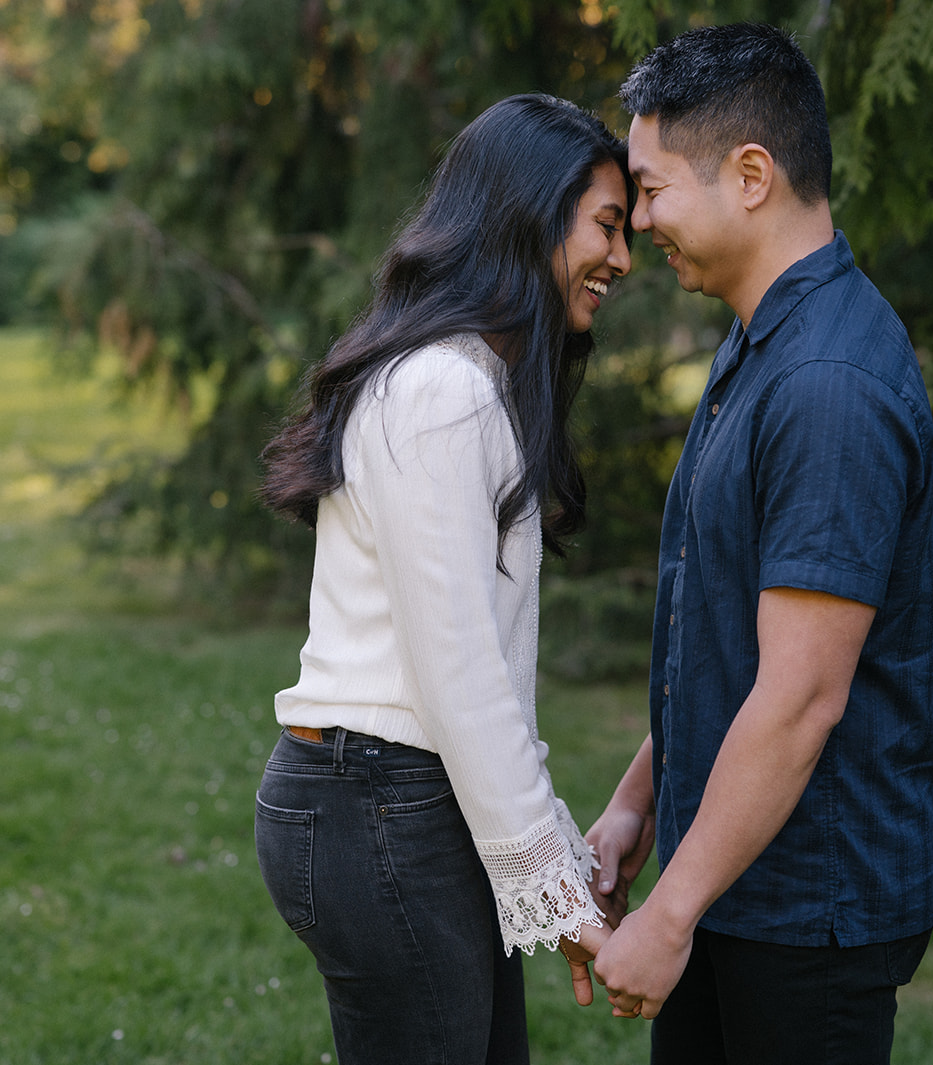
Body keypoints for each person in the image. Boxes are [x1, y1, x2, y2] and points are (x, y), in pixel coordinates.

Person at [578, 23, 933, 1065]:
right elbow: (723, 637)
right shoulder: (759, 339)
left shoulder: (828, 384)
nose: (638, 221)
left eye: (650, 191)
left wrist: (667, 913)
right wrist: (635, 806)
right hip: (734, 884)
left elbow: (798, 698)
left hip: (807, 909)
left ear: (750, 175)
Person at [254, 93, 632, 1065]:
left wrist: (551, 854)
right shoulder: (442, 391)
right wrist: (557, 891)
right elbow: (459, 677)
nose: (622, 260)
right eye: (606, 225)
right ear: (531, 215)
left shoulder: (464, 381)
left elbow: (484, 682)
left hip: (402, 801)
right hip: (377, 804)